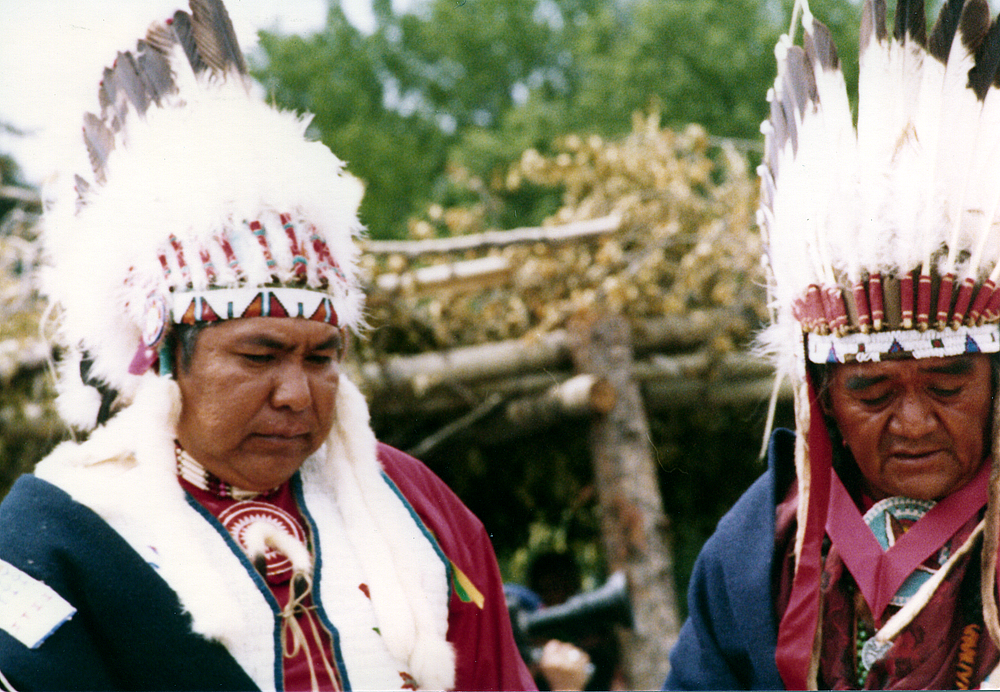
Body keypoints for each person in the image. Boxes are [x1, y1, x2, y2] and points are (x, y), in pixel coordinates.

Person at [0, 2, 535, 690]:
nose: (295, 393)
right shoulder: (59, 537)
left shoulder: (414, 507)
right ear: (163, 357)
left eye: (322, 357)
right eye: (259, 356)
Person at [665, 0, 1000, 688]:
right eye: (872, 391)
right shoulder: (756, 556)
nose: (912, 424)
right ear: (821, 397)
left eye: (947, 384)